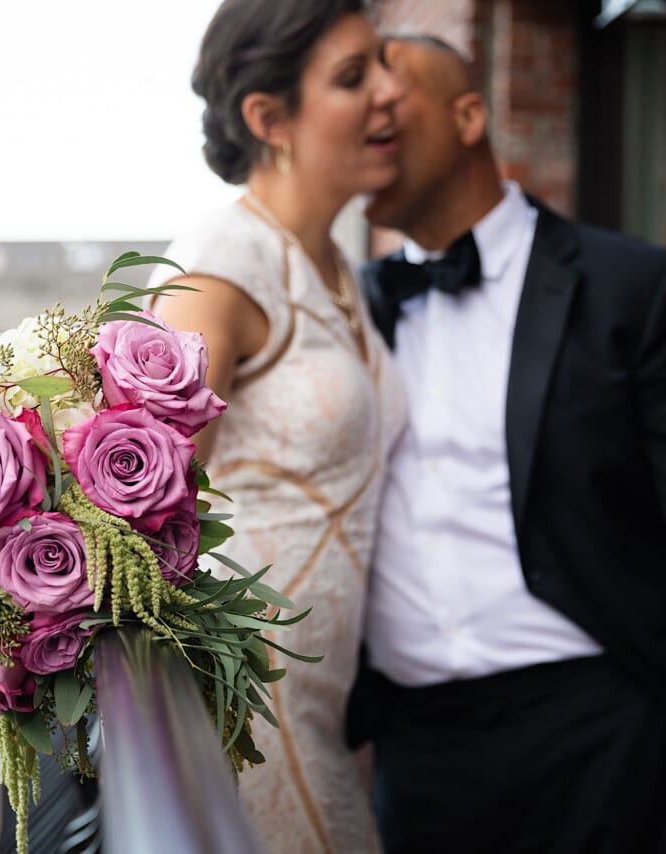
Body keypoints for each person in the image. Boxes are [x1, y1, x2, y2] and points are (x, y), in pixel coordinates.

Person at [348, 34, 666, 853]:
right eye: (351, 84)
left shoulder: (639, 288)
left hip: (602, 732)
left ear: (470, 114)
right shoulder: (347, 310)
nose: (365, 102)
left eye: (388, 80)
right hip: (413, 753)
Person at [147, 0, 407, 850]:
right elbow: (130, 529)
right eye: (352, 76)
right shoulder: (220, 265)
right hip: (244, 717)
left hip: (329, 709)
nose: (391, 93)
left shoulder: (341, 270)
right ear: (269, 118)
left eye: (385, 65)